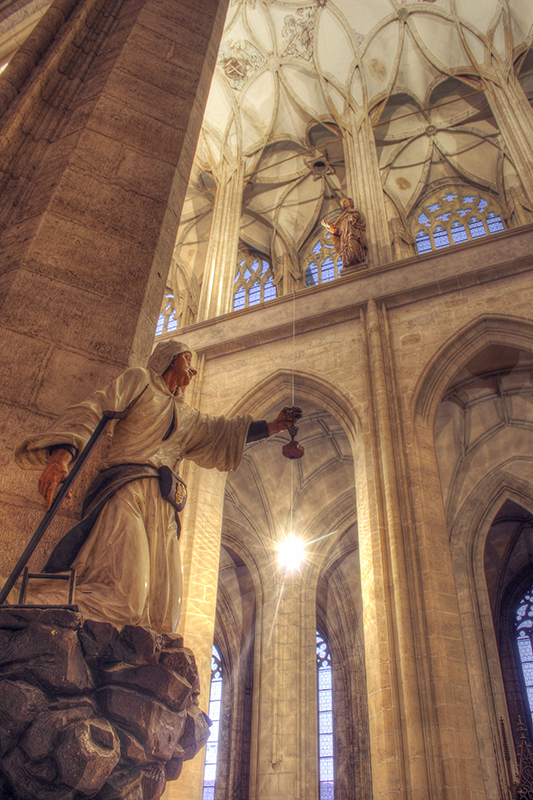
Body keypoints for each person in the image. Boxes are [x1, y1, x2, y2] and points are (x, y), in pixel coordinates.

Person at [14, 341, 301, 633]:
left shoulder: (186, 414)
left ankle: (140, 662)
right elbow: (96, 407)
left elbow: (222, 432)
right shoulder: (140, 381)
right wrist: (63, 454)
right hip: (126, 488)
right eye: (188, 360)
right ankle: (19, 598)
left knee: (164, 612)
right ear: (171, 359)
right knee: (125, 599)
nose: (194, 369)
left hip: (164, 507)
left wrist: (273, 426)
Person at [322, 197, 367, 268]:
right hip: (344, 238)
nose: (343, 203)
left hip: (352, 234)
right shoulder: (342, 217)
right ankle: (348, 261)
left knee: (353, 248)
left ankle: (356, 260)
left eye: (344, 201)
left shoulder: (354, 212)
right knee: (346, 252)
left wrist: (352, 218)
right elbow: (337, 231)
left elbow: (357, 217)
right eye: (342, 203)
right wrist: (329, 226)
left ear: (350, 202)